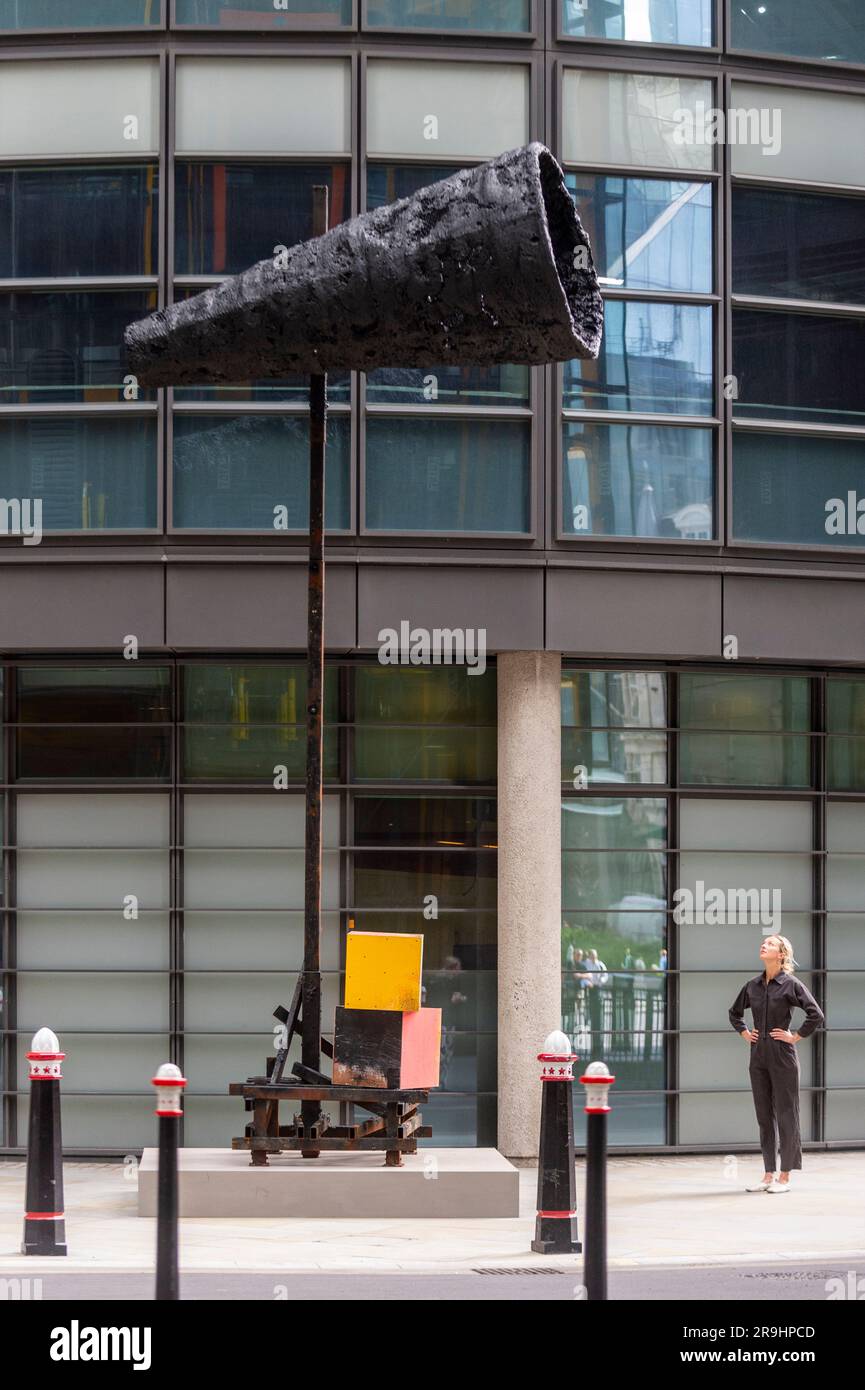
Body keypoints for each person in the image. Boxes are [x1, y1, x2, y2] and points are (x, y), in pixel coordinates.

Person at [728, 934, 824, 1193]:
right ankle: (768, 1174)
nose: (764, 945)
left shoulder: (791, 984)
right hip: (758, 1055)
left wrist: (795, 1036)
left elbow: (816, 1014)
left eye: (770, 944)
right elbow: (734, 1013)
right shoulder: (753, 986)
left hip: (783, 1056)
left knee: (786, 1114)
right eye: (764, 942)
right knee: (764, 1116)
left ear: (782, 954)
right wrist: (745, 1032)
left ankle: (785, 1176)